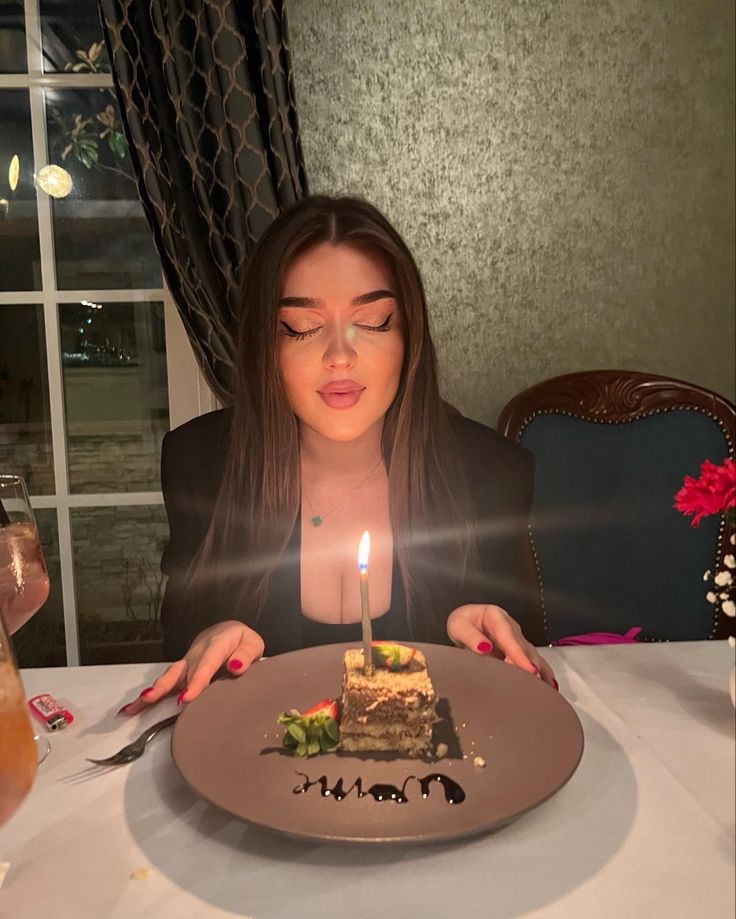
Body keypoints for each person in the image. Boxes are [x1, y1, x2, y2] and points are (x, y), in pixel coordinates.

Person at [120, 195, 555, 716]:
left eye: (372, 321)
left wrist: (495, 646)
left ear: (408, 336)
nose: (340, 355)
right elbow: (180, 649)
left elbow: (522, 661)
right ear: (266, 346)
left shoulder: (491, 472)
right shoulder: (201, 463)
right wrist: (208, 640)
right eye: (301, 328)